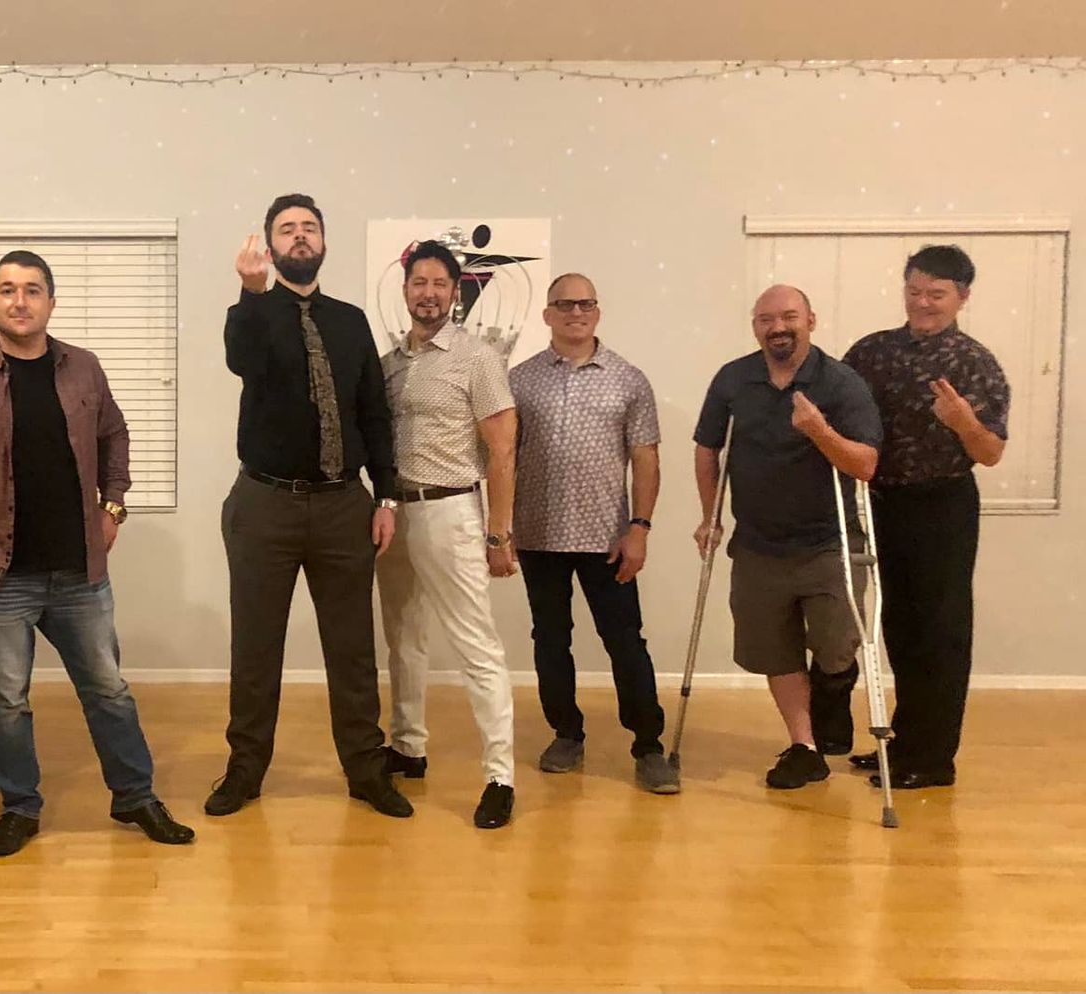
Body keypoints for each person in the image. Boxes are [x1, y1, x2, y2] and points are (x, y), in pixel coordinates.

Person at [0, 250, 195, 857]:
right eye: (6, 290)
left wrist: (115, 505)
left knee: (108, 690)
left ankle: (135, 797)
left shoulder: (83, 368)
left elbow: (115, 434)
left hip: (79, 571)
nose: (19, 301)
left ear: (50, 301)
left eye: (31, 290)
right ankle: (20, 808)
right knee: (5, 701)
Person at [209, 193, 410, 820]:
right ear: (270, 246)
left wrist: (389, 497)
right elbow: (241, 360)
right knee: (256, 646)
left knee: (352, 649)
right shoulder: (253, 315)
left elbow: (374, 414)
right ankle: (245, 771)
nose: (300, 237)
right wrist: (250, 291)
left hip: (343, 507)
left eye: (309, 228)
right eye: (287, 229)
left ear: (324, 242)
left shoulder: (351, 322)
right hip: (263, 503)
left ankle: (366, 771)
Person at [833, 244, 1009, 789]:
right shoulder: (871, 351)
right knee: (899, 628)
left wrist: (962, 422)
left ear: (962, 297)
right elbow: (835, 404)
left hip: (942, 506)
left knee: (941, 632)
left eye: (936, 293)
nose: (924, 302)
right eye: (915, 291)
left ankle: (933, 760)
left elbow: (991, 452)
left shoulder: (976, 363)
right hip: (882, 503)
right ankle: (905, 742)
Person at [692, 284, 881, 789]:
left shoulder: (841, 383)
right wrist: (710, 515)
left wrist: (819, 430)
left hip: (829, 543)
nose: (778, 327)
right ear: (755, 326)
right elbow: (708, 447)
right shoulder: (734, 380)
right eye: (766, 319)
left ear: (811, 320)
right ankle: (804, 746)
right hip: (758, 545)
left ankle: (834, 687)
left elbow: (865, 464)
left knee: (837, 645)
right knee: (775, 651)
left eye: (789, 316)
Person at [510, 272, 676, 795]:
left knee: (625, 642)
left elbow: (646, 459)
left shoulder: (629, 379)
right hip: (537, 536)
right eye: (565, 304)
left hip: (609, 539)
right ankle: (566, 734)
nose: (575, 313)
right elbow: (503, 458)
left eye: (585, 304)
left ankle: (648, 745)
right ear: (547, 315)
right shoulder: (520, 380)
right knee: (550, 641)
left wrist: (640, 529)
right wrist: (499, 528)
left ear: (598, 312)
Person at [374, 240, 520, 829]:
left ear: (455, 292)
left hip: (452, 512)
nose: (428, 294)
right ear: (405, 290)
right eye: (418, 283)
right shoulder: (391, 364)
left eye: (439, 283)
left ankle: (500, 776)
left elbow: (503, 447)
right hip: (395, 513)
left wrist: (498, 533)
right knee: (403, 636)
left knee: (475, 645)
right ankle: (408, 745)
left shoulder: (477, 357)